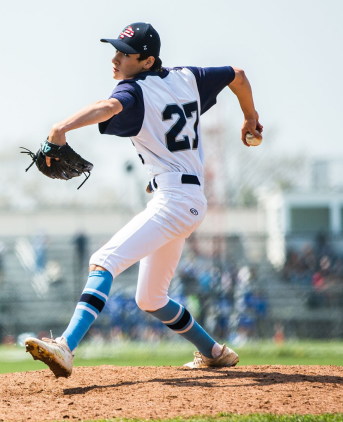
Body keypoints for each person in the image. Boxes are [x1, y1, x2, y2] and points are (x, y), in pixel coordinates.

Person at [24, 22, 263, 377]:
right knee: (150, 298)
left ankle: (66, 346)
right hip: (184, 198)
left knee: (103, 260)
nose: (115, 58)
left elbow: (108, 107)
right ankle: (213, 352)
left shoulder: (134, 91)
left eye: (124, 53)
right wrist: (250, 116)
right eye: (115, 50)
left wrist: (60, 129)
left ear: (148, 60)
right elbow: (238, 75)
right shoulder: (188, 77)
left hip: (176, 199)